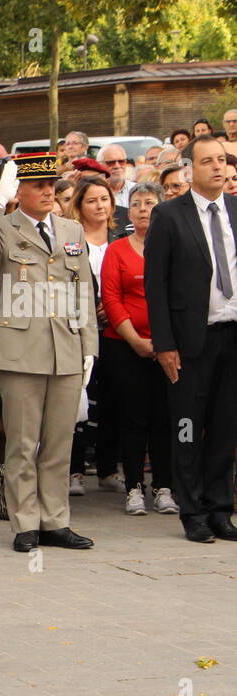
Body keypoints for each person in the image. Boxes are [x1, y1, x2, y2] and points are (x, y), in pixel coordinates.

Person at [0, 155, 98, 553]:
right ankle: (25, 522)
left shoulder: (70, 228)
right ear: (19, 191)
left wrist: (89, 346)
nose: (46, 192)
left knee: (59, 443)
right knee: (22, 443)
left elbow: (83, 290)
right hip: (21, 351)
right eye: (36, 185)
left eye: (50, 185)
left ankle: (55, 520)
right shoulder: (4, 228)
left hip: (67, 349)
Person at [144, 135, 237, 544]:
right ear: (190, 169)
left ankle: (219, 508)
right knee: (186, 427)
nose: (217, 167)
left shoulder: (235, 209)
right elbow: (155, 285)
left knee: (225, 428)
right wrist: (164, 344)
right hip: (188, 343)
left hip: (232, 337)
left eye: (222, 160)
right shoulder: (169, 215)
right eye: (207, 161)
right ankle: (192, 510)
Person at [99, 181, 177, 517]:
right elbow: (112, 299)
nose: (143, 209)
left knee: (164, 418)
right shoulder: (117, 249)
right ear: (127, 211)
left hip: (168, 347)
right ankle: (133, 487)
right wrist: (136, 340)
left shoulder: (174, 246)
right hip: (125, 346)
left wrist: (163, 343)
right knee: (132, 419)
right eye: (136, 203)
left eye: (149, 202)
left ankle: (164, 487)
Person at [67, 175, 126, 497]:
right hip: (81, 330)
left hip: (118, 331)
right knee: (78, 403)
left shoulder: (121, 237)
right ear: (80, 205)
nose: (99, 206)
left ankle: (107, 469)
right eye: (91, 200)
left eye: (104, 199)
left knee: (113, 402)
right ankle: (74, 470)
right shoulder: (72, 238)